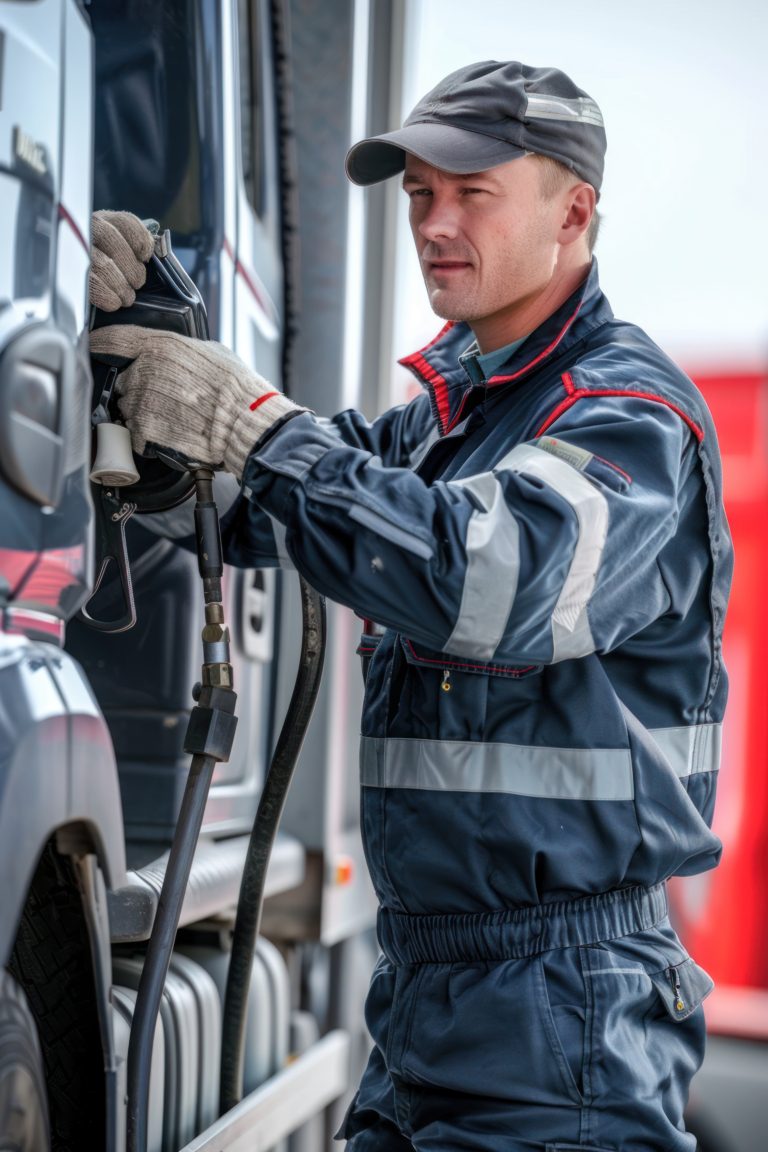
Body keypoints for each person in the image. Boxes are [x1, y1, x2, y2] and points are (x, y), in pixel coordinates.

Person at [89, 60, 732, 1152]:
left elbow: (491, 583)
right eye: (419, 194)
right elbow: (266, 506)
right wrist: (166, 375)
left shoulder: (626, 417)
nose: (434, 223)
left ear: (575, 210)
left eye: (471, 192)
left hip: (563, 1010)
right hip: (434, 999)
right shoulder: (448, 414)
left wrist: (252, 422)